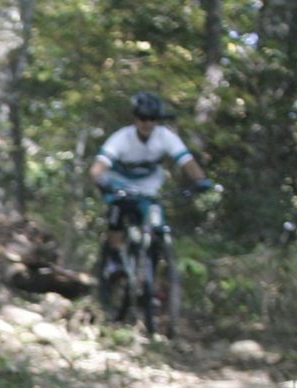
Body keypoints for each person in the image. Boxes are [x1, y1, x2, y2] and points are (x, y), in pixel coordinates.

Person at [89, 92, 214, 268]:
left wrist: (201, 180)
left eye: (152, 118)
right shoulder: (121, 138)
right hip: (119, 181)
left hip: (149, 184)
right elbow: (98, 167)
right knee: (117, 209)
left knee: (156, 221)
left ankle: (156, 272)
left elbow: (187, 161)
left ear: (157, 120)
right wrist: (100, 180)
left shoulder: (165, 136)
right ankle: (114, 258)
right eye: (142, 118)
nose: (147, 123)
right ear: (135, 118)